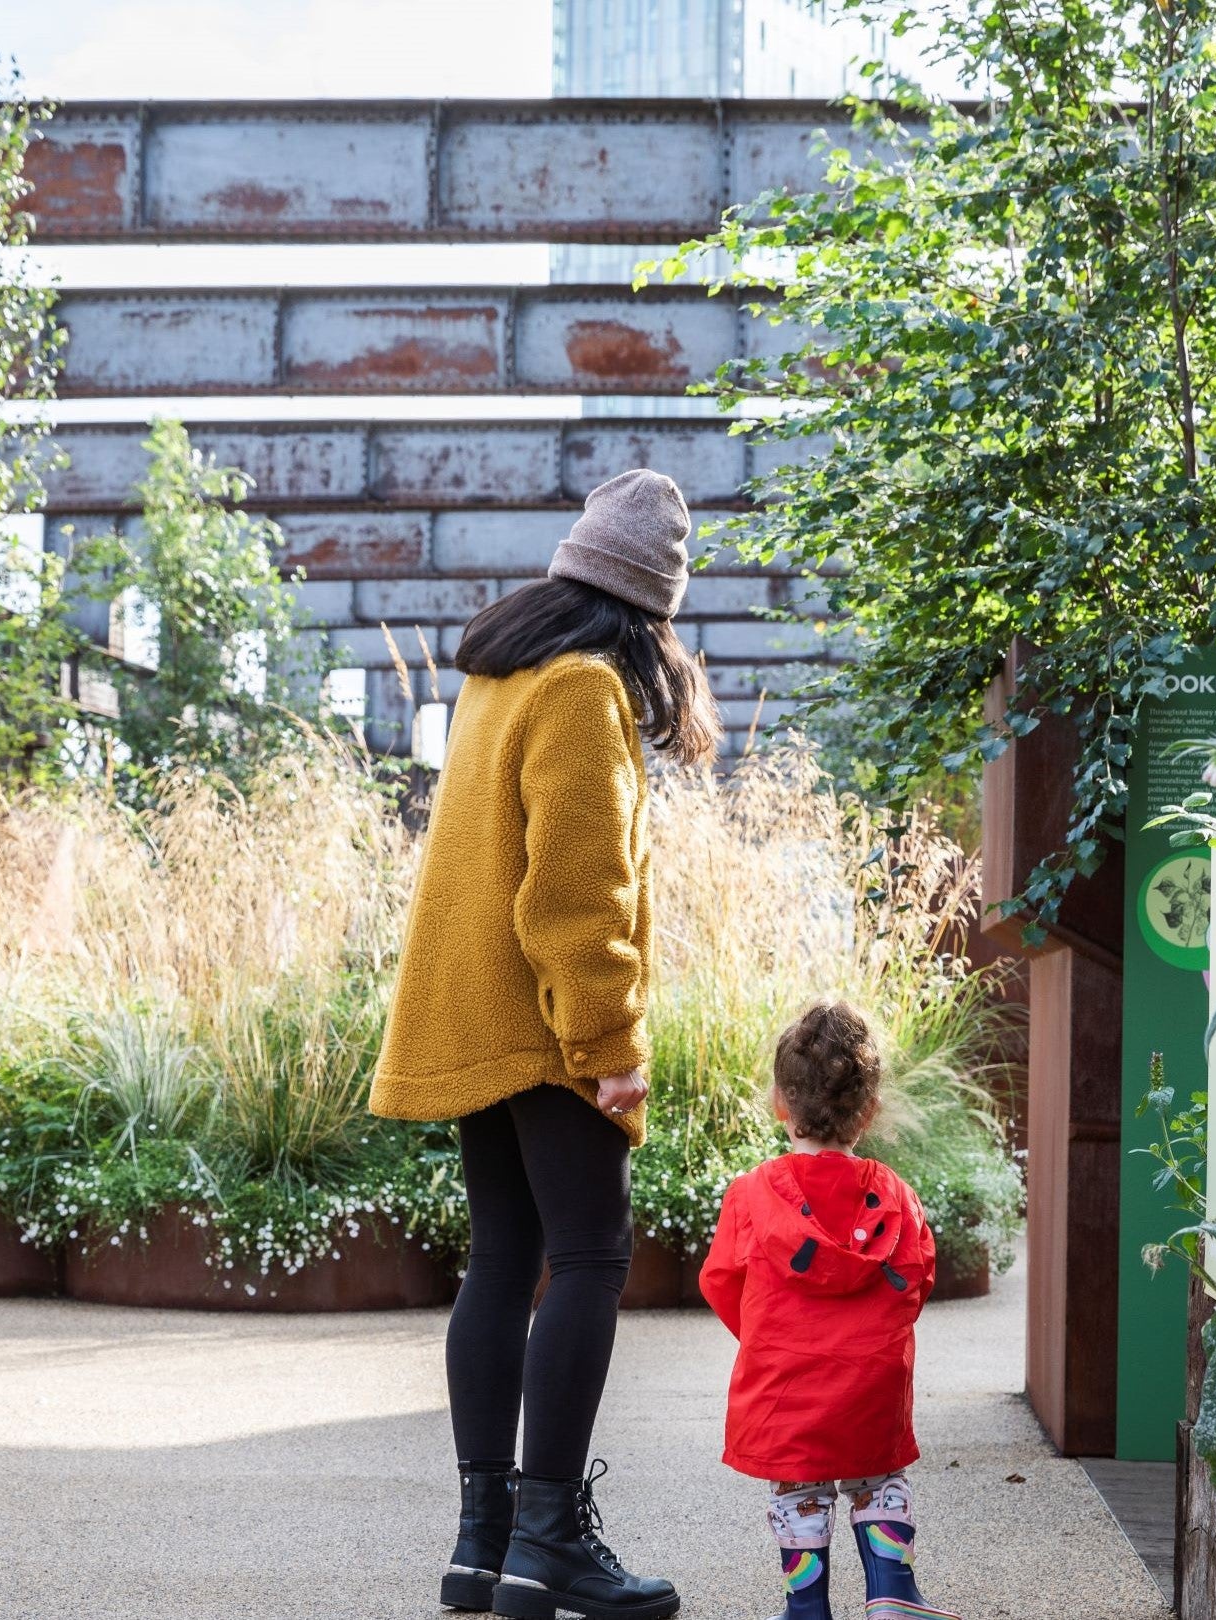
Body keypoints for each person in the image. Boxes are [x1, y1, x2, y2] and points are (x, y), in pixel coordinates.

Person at [371, 467, 721, 1620]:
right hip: (545, 1024)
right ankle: (549, 1541)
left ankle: (484, 1547)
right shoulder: (580, 689)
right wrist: (609, 1042)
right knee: (589, 1257)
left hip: (476, 1013)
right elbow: (577, 895)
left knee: (501, 1259)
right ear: (647, 610)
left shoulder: (498, 676)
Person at [699, 1001, 958, 1620]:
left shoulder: (752, 1195)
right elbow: (917, 1278)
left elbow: (721, 1282)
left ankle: (807, 1606)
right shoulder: (894, 1194)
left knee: (800, 1487)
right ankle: (892, 1590)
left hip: (786, 1381)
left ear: (780, 1103)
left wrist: (768, 1333)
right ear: (866, 1111)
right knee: (878, 1475)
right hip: (871, 1378)